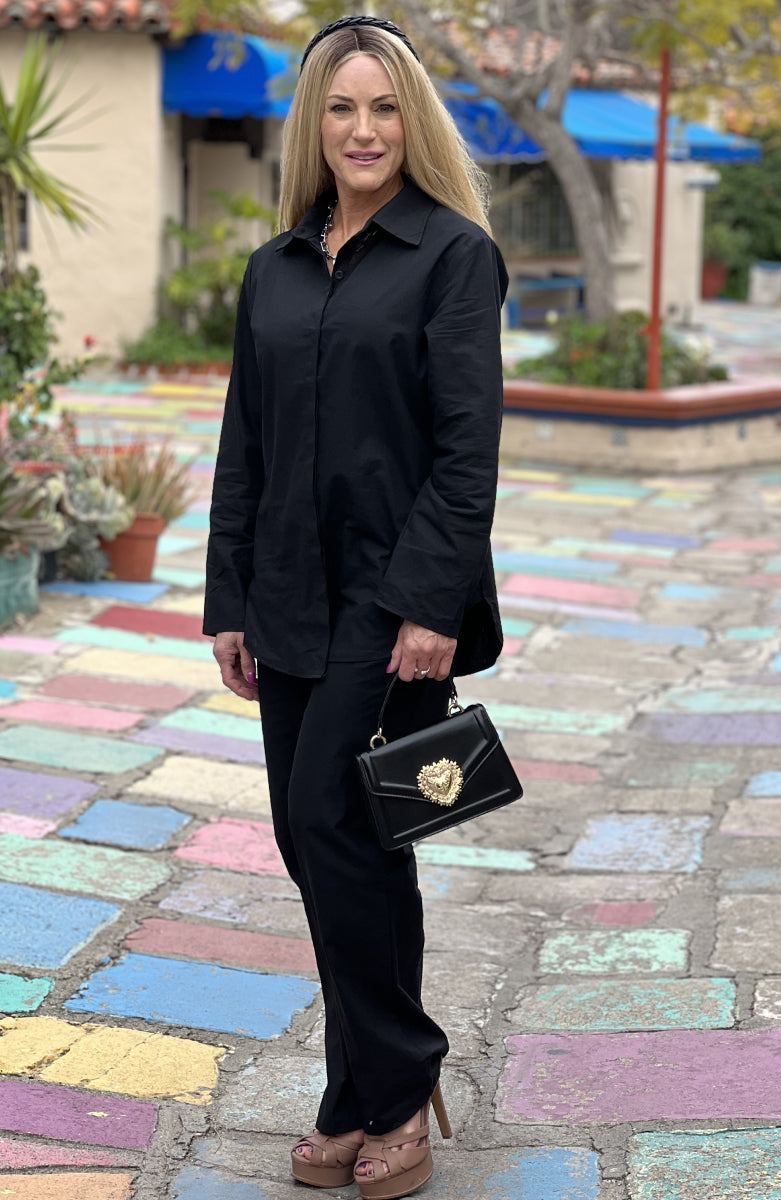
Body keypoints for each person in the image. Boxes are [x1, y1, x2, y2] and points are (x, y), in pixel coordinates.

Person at [203, 15, 509, 1198]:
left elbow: (465, 452)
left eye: (383, 108)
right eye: (341, 108)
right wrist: (228, 599)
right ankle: (362, 1093)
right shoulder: (272, 269)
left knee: (336, 826)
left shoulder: (452, 256)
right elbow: (244, 444)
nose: (363, 129)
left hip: (390, 605)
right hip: (284, 595)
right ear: (313, 124)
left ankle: (393, 1088)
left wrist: (431, 603)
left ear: (410, 121)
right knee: (318, 843)